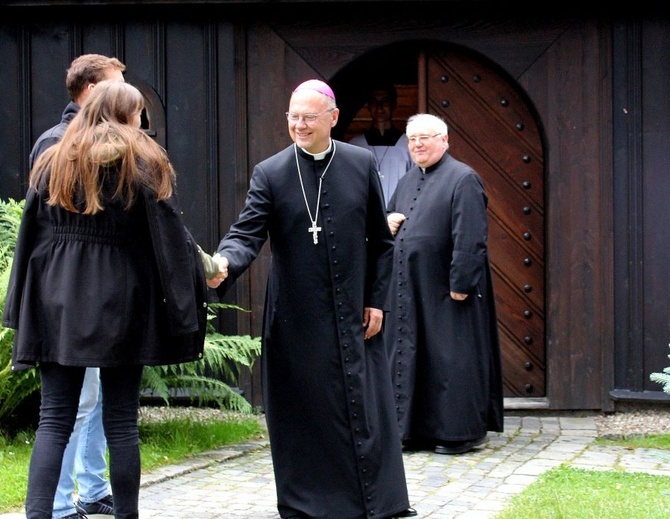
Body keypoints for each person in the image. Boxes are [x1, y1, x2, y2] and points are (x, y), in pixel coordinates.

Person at [3, 80, 208, 519]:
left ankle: (38, 515)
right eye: (138, 115)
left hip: (58, 298)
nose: (141, 123)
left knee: (54, 417)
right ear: (126, 115)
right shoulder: (145, 163)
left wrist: (26, 300)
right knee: (121, 421)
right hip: (122, 299)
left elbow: (30, 237)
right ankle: (126, 517)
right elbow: (167, 238)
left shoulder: (53, 160)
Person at [212, 79, 416, 519]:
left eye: (307, 116)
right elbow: (247, 232)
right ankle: (311, 506)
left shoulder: (359, 164)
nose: (298, 125)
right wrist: (225, 262)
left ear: (332, 118)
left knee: (367, 406)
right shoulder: (271, 172)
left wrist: (376, 299)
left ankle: (380, 503)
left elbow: (381, 242)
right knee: (304, 415)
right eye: (292, 116)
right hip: (297, 319)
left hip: (355, 312)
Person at [28, 53, 126, 519]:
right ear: (91, 91)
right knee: (78, 407)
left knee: (90, 404)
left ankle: (91, 487)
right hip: (81, 292)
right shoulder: (57, 144)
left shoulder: (65, 146)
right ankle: (64, 504)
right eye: (116, 87)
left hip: (60, 289)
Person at [385, 113, 504, 455]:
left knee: (451, 360)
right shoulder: (408, 180)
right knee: (412, 357)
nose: (418, 145)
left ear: (444, 140)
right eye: (412, 140)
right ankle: (413, 431)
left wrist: (461, 282)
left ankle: (458, 433)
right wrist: (386, 224)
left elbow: (470, 235)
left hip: (447, 290)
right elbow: (390, 223)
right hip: (410, 289)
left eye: (425, 137)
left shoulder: (463, 178)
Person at [349, 82, 413, 205]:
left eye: (385, 101)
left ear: (394, 106)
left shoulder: (408, 145)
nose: (379, 107)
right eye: (374, 101)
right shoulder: (356, 146)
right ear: (368, 106)